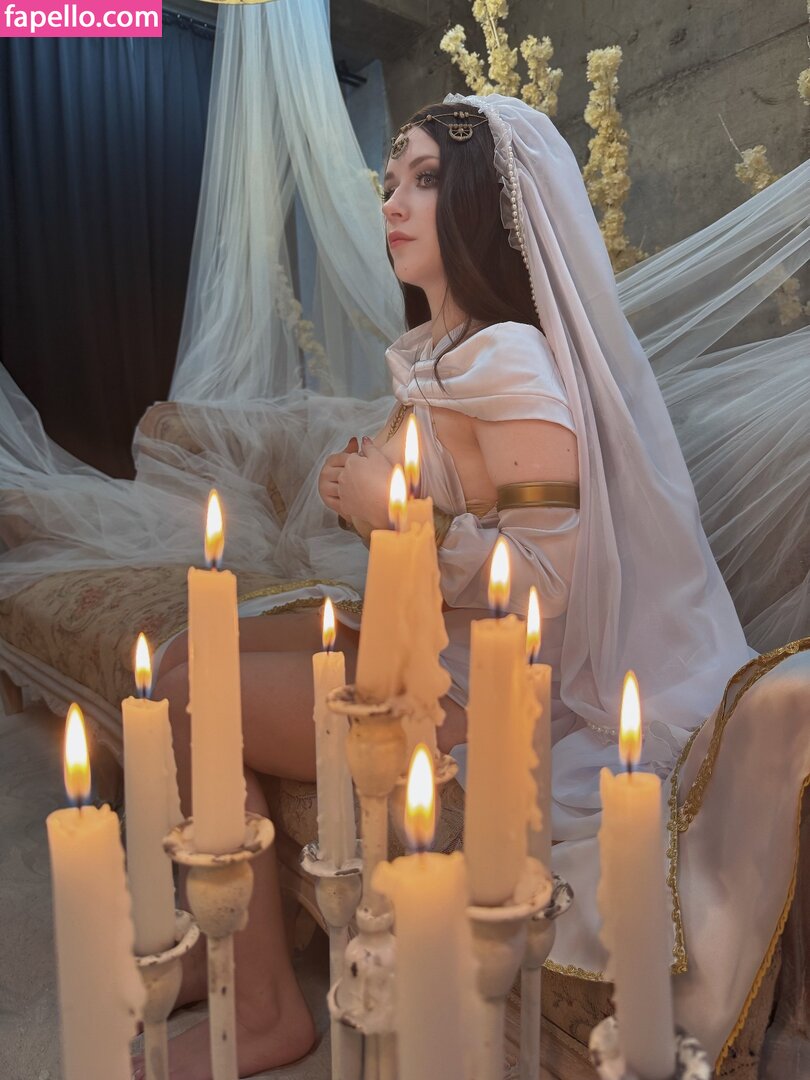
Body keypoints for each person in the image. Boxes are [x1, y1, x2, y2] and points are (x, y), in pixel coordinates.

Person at [131, 93, 767, 1079]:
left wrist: (392, 514)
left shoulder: (510, 359)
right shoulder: (439, 353)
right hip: (425, 639)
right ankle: (216, 937)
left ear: (481, 207)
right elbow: (431, 504)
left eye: (424, 180)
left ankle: (264, 1011)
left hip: (482, 691)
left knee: (188, 696)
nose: (392, 202)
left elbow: (546, 582)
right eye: (391, 181)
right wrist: (361, 493)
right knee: (181, 654)